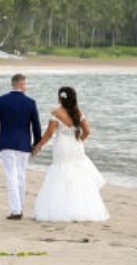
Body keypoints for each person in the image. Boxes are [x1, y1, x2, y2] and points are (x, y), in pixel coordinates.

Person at [31, 85, 109, 222]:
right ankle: (81, 209)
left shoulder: (56, 113)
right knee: (78, 175)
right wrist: (79, 141)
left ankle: (60, 209)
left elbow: (49, 134)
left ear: (59, 97)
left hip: (62, 148)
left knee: (60, 173)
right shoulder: (78, 112)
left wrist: (38, 146)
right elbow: (87, 131)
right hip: (76, 147)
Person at [0, 72, 43, 220]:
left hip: (6, 143)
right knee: (21, 175)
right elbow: (36, 127)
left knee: (11, 175)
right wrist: (36, 144)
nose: (26, 86)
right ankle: (19, 207)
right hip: (24, 145)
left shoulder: (1, 101)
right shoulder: (30, 102)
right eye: (25, 84)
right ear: (20, 84)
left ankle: (16, 210)